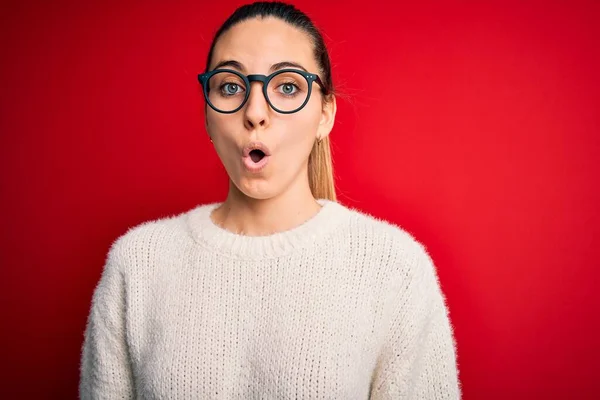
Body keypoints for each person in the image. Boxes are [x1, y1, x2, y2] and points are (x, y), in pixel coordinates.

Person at [79, 1, 461, 399]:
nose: (255, 112)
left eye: (288, 86)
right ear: (207, 114)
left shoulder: (394, 269)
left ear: (324, 114)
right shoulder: (138, 265)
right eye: (230, 87)